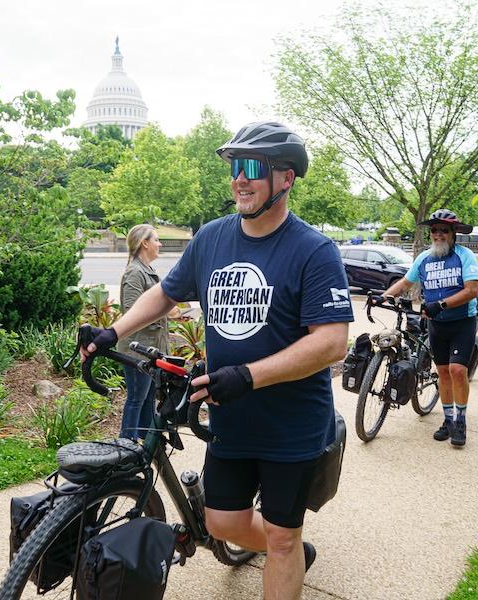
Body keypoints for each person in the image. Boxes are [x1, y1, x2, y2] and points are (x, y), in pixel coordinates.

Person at [82, 121, 352, 600]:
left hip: (290, 426)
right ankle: (284, 546)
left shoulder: (313, 250)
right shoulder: (212, 238)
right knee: (220, 520)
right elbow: (166, 293)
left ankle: (285, 547)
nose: (239, 180)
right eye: (233, 169)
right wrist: (114, 331)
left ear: (286, 179)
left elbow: (332, 343)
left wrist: (249, 376)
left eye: (252, 168)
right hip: (230, 416)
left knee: (282, 534)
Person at [373, 209, 478, 447]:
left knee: (457, 371)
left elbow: (472, 290)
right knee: (442, 372)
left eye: (444, 230)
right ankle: (449, 419)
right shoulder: (424, 258)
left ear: (453, 233)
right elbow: (406, 282)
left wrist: (440, 304)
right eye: (434, 231)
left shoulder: (464, 256)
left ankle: (461, 419)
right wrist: (383, 297)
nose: (438, 235)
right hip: (437, 325)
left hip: (462, 322)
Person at [117, 224, 167, 440]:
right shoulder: (135, 273)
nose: (160, 244)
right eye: (156, 239)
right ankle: (126, 444)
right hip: (137, 350)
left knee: (147, 399)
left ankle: (148, 444)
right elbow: (132, 312)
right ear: (145, 243)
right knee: (136, 399)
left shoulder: (146, 270)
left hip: (149, 349)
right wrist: (160, 313)